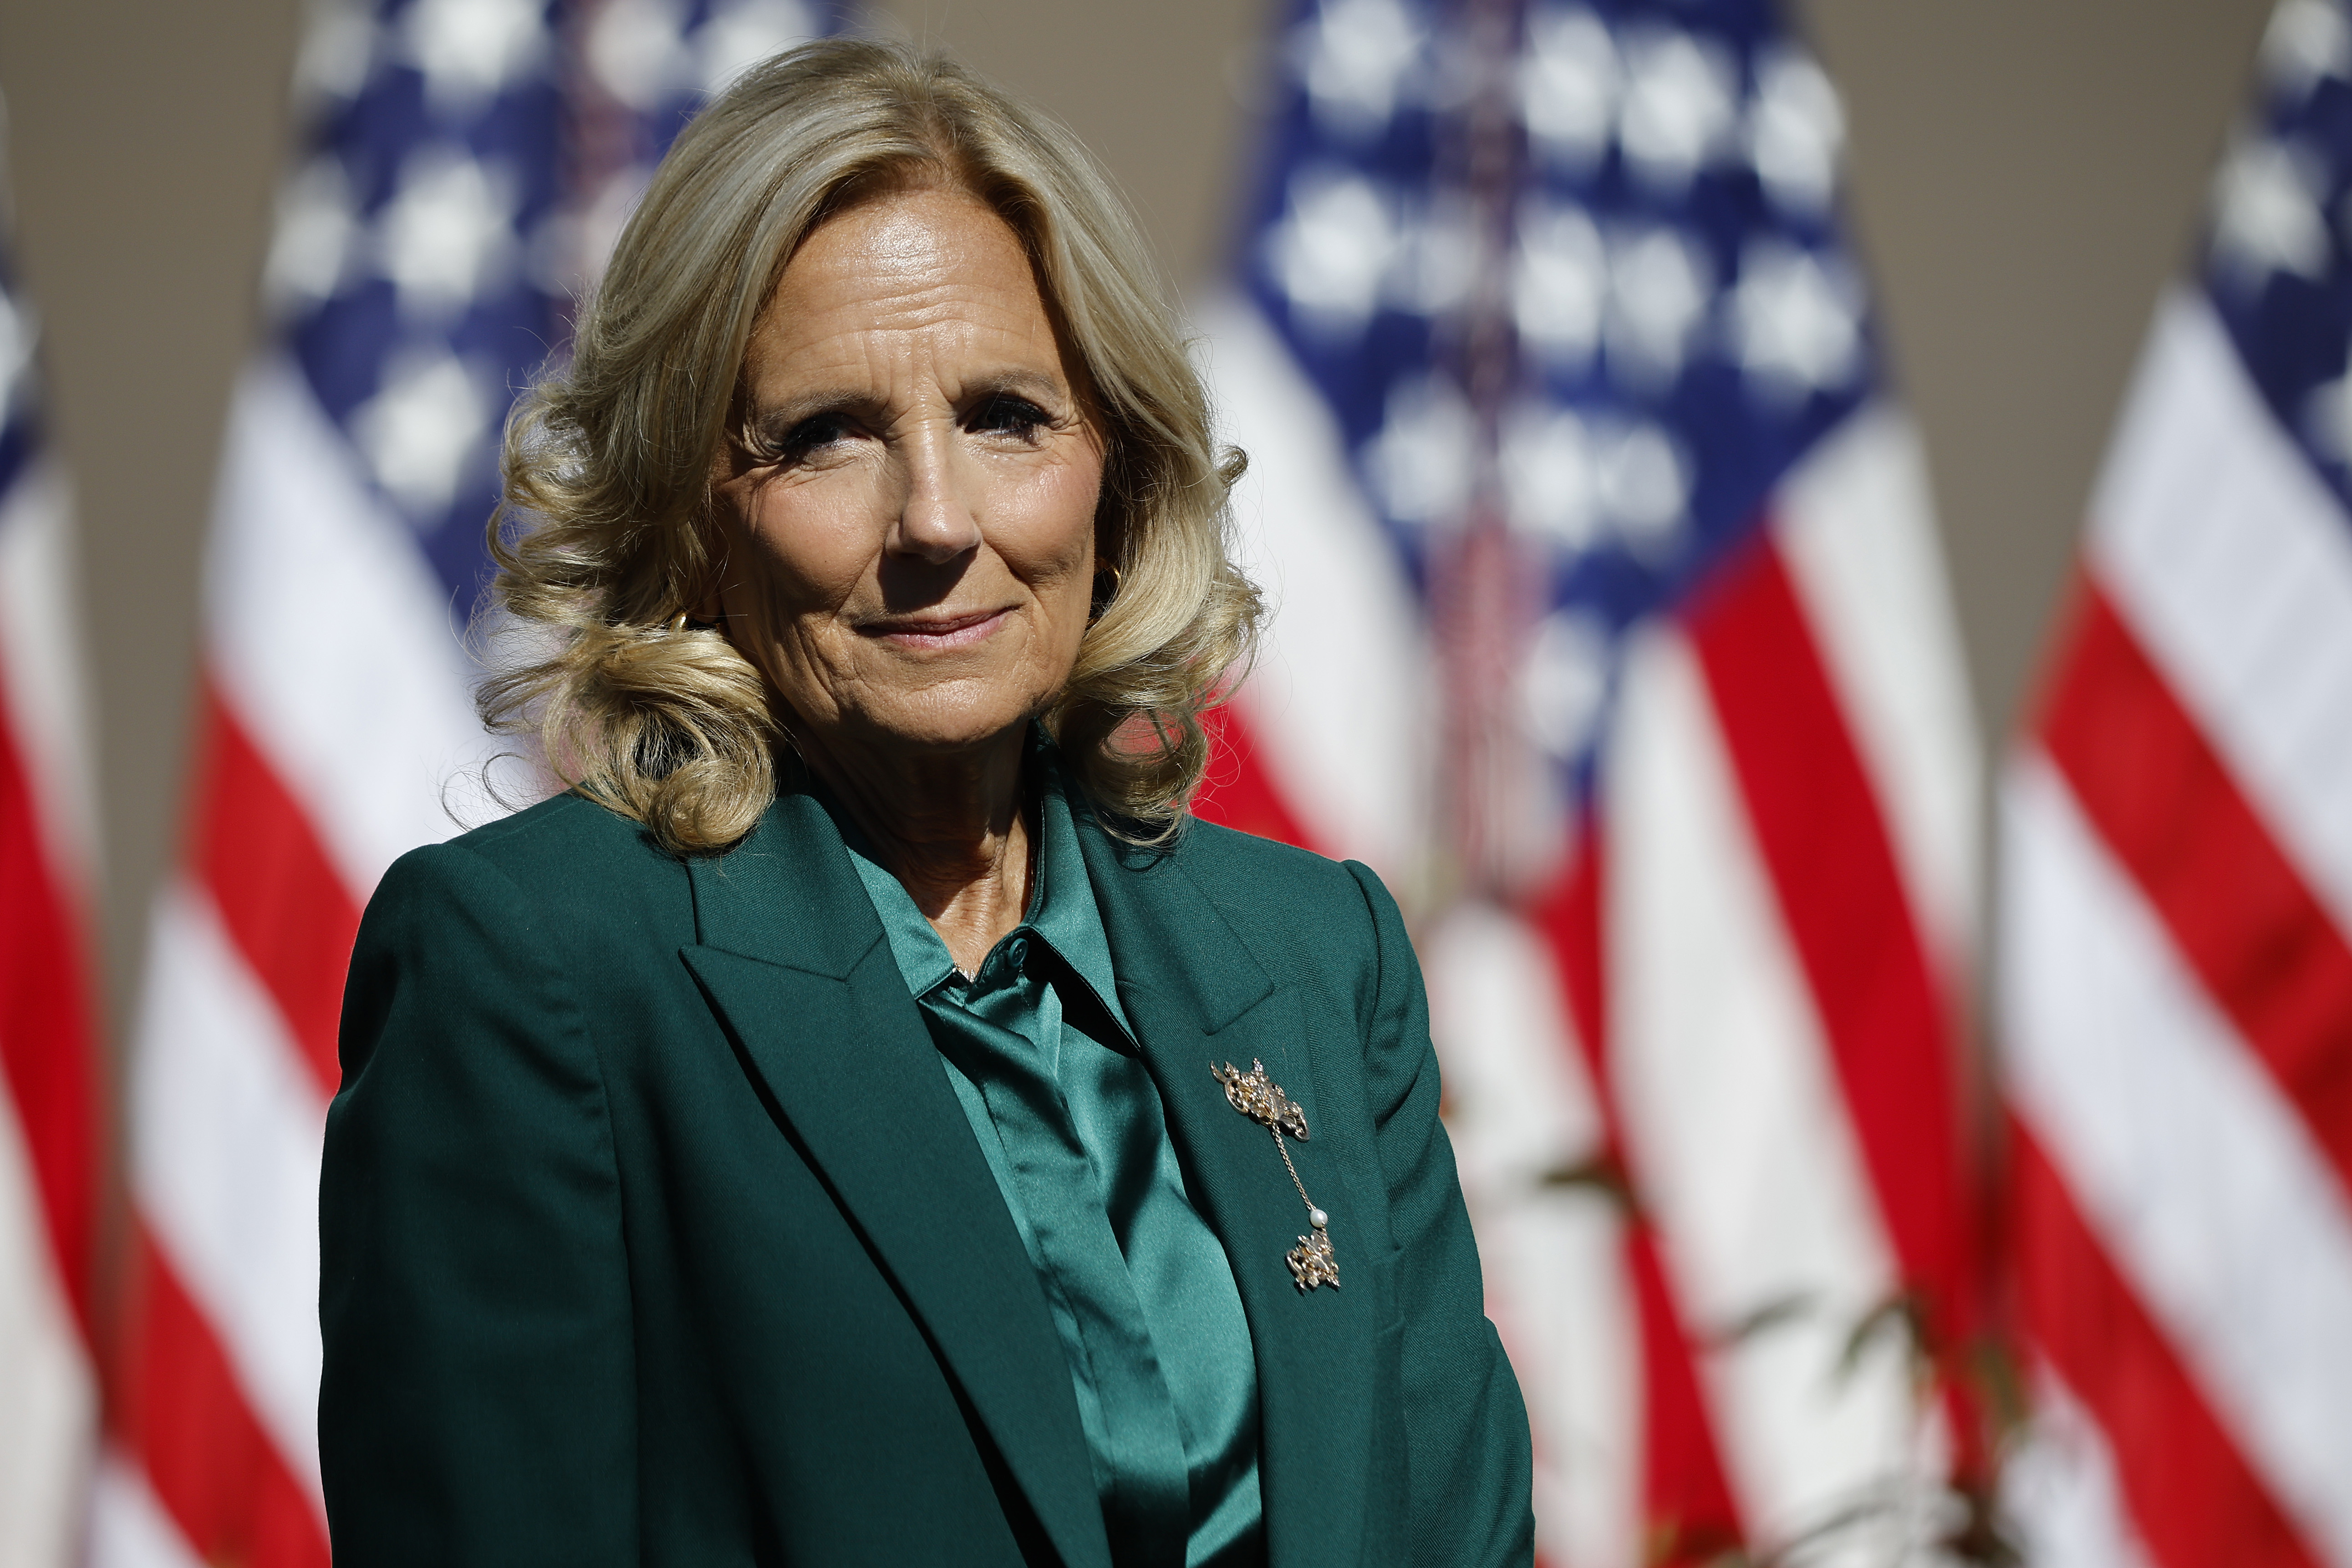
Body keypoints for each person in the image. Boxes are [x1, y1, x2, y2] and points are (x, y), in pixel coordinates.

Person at [319, 36, 1533, 1568]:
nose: (938, 522)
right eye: (826, 436)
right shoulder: (533, 965)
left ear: (1118, 464)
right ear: (697, 510)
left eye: (1007, 416)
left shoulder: (1317, 955)